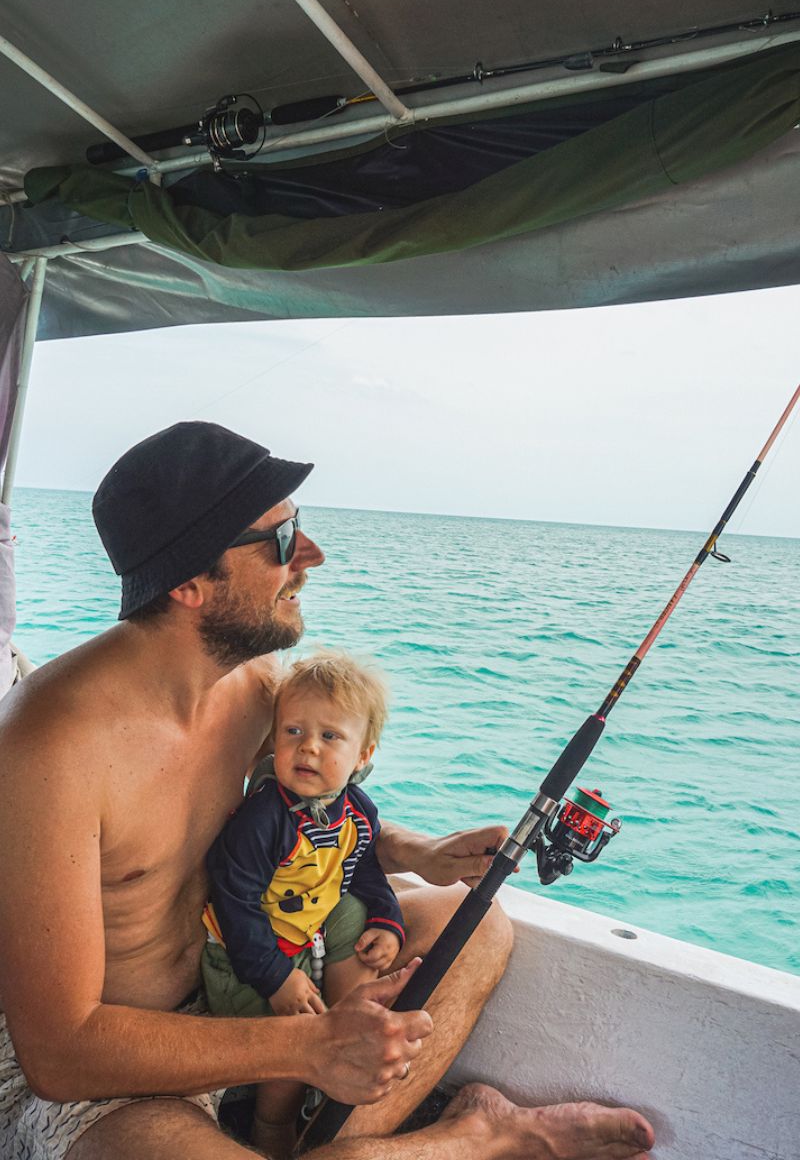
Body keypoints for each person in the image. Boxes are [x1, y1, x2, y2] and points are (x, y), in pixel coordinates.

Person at [0, 421, 655, 1160]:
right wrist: (306, 1046)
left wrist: (421, 852)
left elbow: (301, 811)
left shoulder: (251, 687)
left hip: (250, 987)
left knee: (479, 926)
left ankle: (326, 1144)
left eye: (299, 528)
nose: (309, 557)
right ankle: (484, 1138)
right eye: (281, 542)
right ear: (189, 585)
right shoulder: (48, 748)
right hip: (111, 1076)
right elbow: (62, 1054)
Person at [203, 651, 405, 1156]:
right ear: (273, 741)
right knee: (299, 1030)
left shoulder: (354, 810)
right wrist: (275, 978)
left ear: (363, 754)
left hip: (299, 934)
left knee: (356, 915)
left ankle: (340, 1027)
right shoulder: (265, 817)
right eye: (293, 732)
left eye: (330, 736)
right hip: (242, 959)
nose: (308, 748)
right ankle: (272, 1120)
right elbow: (234, 901)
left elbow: (361, 868)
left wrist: (388, 919)